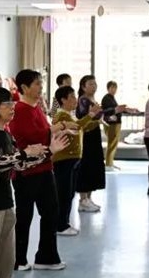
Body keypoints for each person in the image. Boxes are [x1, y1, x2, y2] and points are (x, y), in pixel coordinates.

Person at [0, 87, 70, 278]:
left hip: (5, 204)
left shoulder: (6, 134)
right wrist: (24, 153)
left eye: (12, 103)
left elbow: (19, 164)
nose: (12, 107)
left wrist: (48, 152)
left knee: (6, 262)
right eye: (7, 104)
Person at [8, 69, 71, 271]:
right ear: (24, 87)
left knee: (51, 212)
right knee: (24, 216)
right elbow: (32, 136)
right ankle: (18, 259)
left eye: (41, 83)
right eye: (37, 84)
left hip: (44, 167)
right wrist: (58, 127)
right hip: (26, 172)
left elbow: (43, 133)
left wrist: (57, 131)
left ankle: (47, 257)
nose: (40, 87)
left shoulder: (36, 108)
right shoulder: (19, 109)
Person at [51, 85, 103, 236]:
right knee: (64, 194)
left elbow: (80, 127)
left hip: (72, 159)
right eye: (72, 97)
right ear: (63, 100)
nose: (75, 100)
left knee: (69, 193)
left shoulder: (69, 114)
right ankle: (61, 225)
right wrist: (91, 115)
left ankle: (64, 223)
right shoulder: (61, 116)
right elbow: (78, 126)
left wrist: (93, 119)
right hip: (64, 159)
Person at [75, 75, 127, 212]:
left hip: (94, 134)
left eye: (95, 83)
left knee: (94, 165)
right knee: (86, 165)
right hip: (87, 136)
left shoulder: (92, 100)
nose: (94, 86)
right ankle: (83, 199)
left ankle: (88, 198)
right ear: (83, 87)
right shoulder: (83, 100)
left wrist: (111, 113)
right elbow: (87, 117)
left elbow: (100, 115)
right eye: (90, 84)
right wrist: (114, 110)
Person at [102, 81, 123, 171]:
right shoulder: (106, 98)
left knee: (114, 144)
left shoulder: (112, 98)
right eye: (112, 88)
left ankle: (110, 162)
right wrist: (116, 110)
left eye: (115, 88)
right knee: (111, 144)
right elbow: (106, 111)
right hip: (111, 124)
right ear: (108, 88)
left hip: (116, 123)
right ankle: (108, 164)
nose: (114, 90)